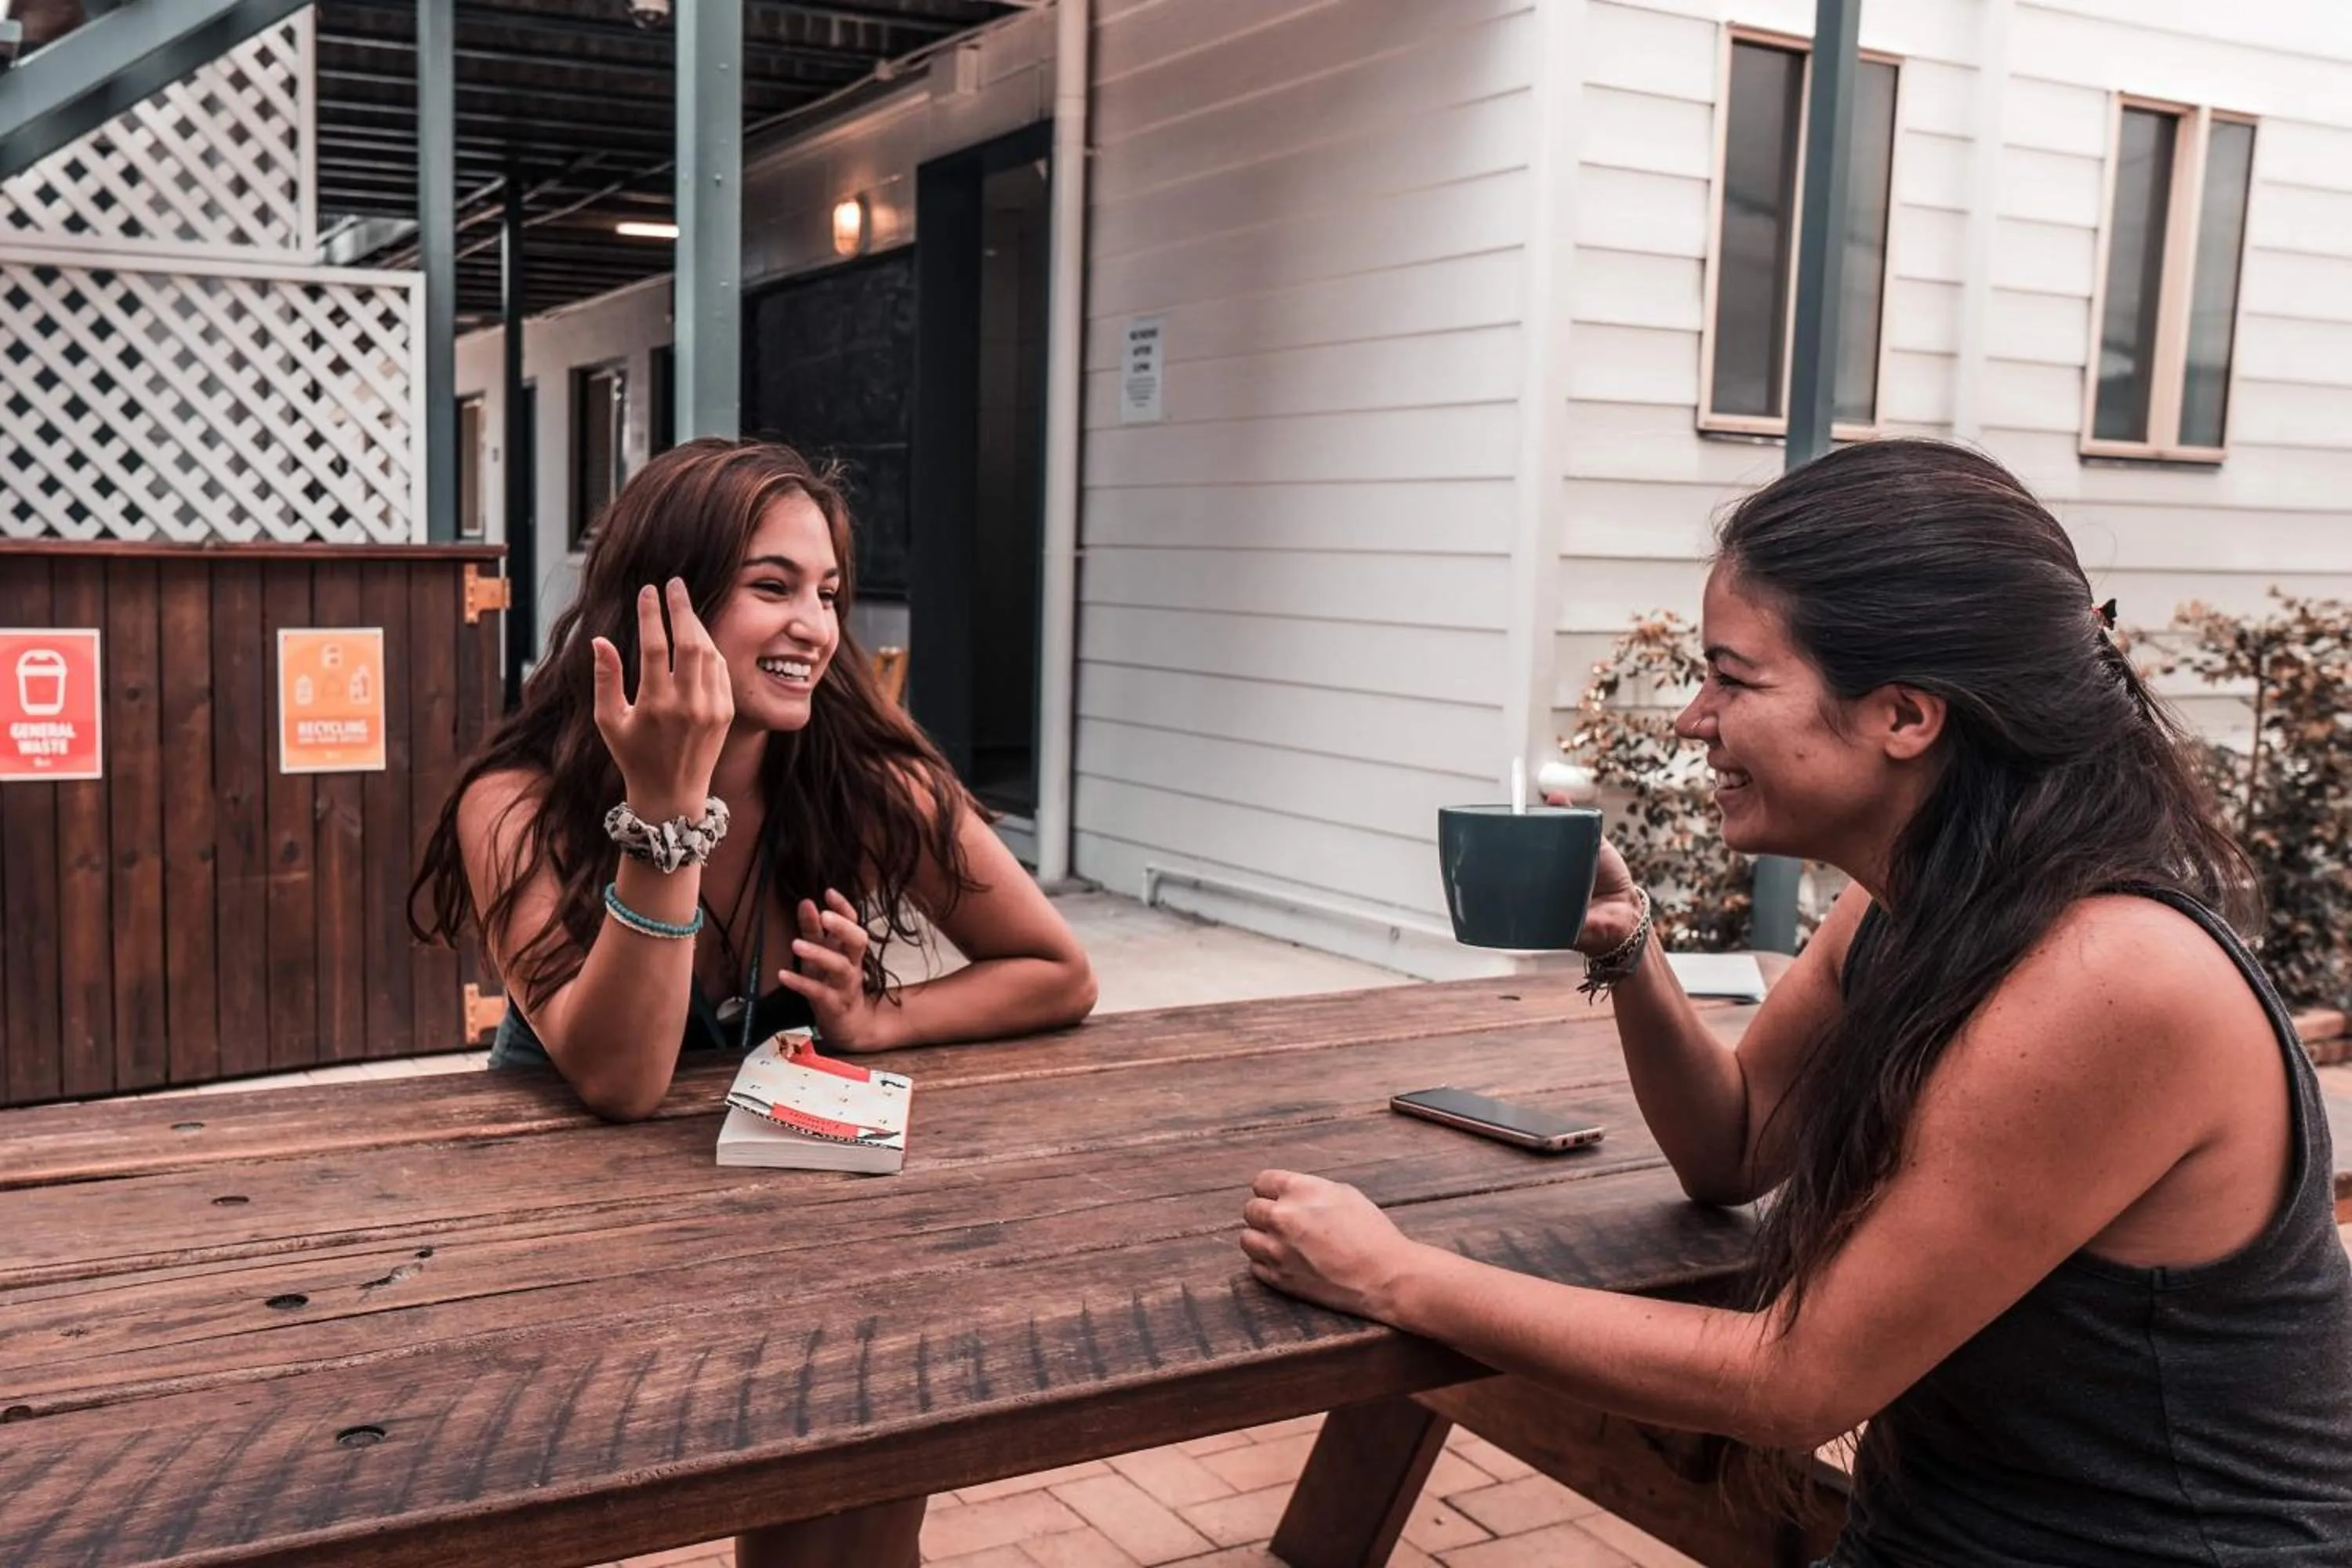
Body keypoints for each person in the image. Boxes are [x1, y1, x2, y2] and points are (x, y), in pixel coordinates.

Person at [1240, 438, 2352, 1563]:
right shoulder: (1915, 909)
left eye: (1734, 677)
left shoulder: (2107, 977)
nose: (1693, 721)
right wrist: (1631, 952)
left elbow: (1792, 1380)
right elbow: (1735, 1146)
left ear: (1905, 717)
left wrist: (1393, 1275)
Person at [413, 437, 1097, 1566]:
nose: (817, 629)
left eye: (827, 593)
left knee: (872, 1468)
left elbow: (1057, 971)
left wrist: (885, 1023)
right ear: (657, 607)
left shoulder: (860, 780)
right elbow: (623, 1083)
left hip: (781, 1226)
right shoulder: (517, 805)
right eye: (772, 587)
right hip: (559, 1253)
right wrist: (668, 805)